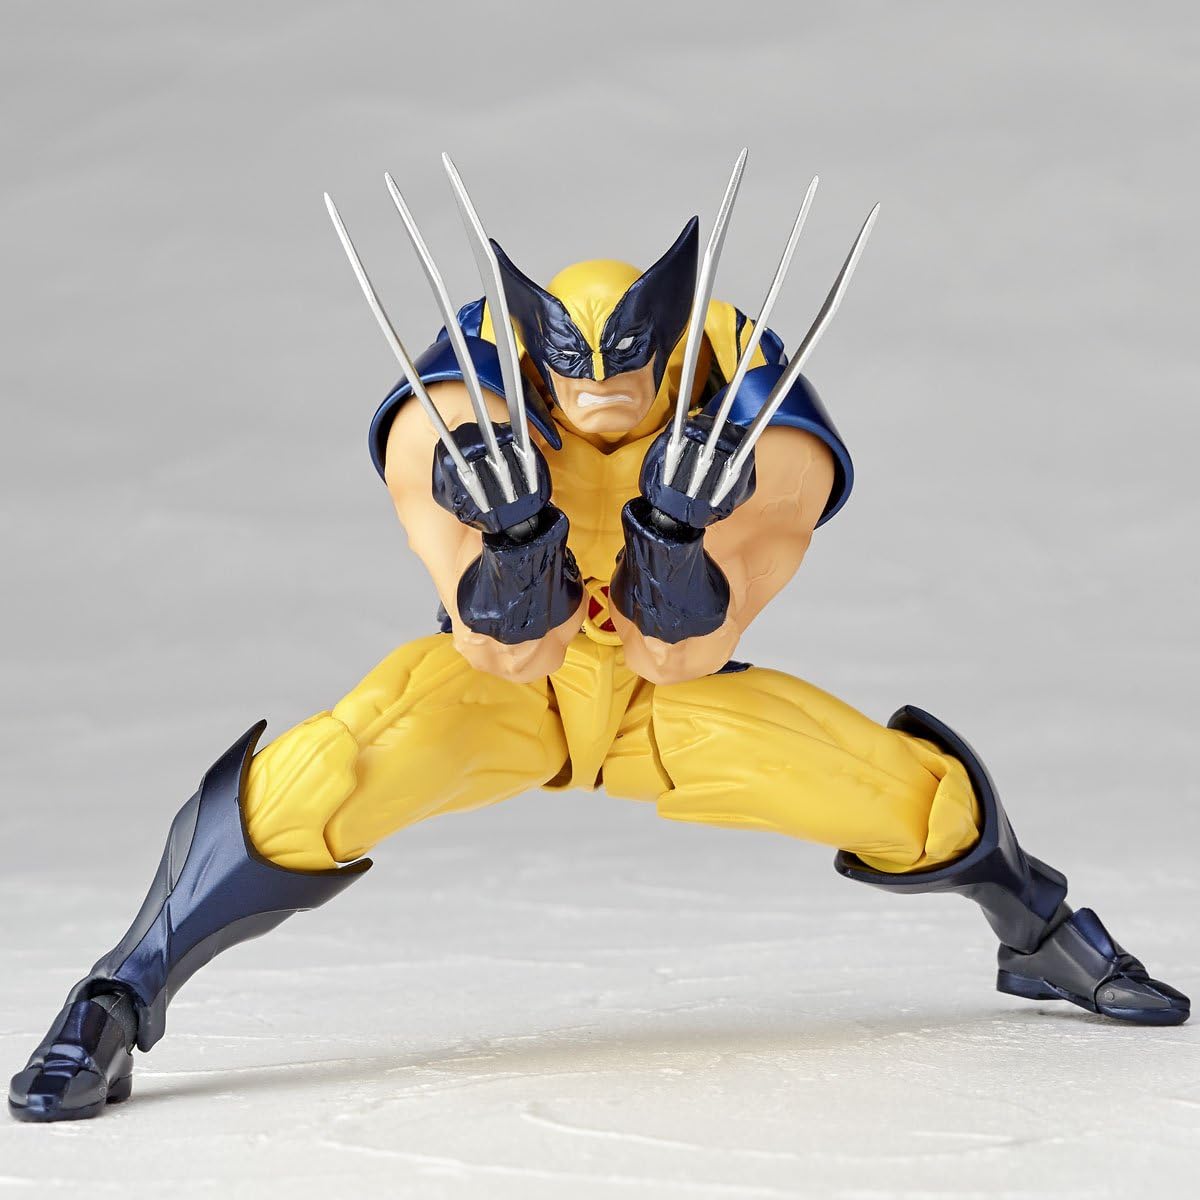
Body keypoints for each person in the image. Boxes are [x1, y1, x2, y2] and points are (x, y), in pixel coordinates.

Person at [10, 153, 1187, 1124]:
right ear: (535, 353)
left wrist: (675, 534)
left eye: (631, 364)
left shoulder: (749, 401)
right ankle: (119, 994)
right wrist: (517, 540)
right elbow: (496, 646)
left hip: (660, 693)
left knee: (912, 800)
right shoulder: (458, 400)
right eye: (574, 369)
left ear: (670, 344)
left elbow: (690, 649)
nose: (602, 390)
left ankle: (1036, 927)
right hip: (509, 687)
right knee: (320, 777)